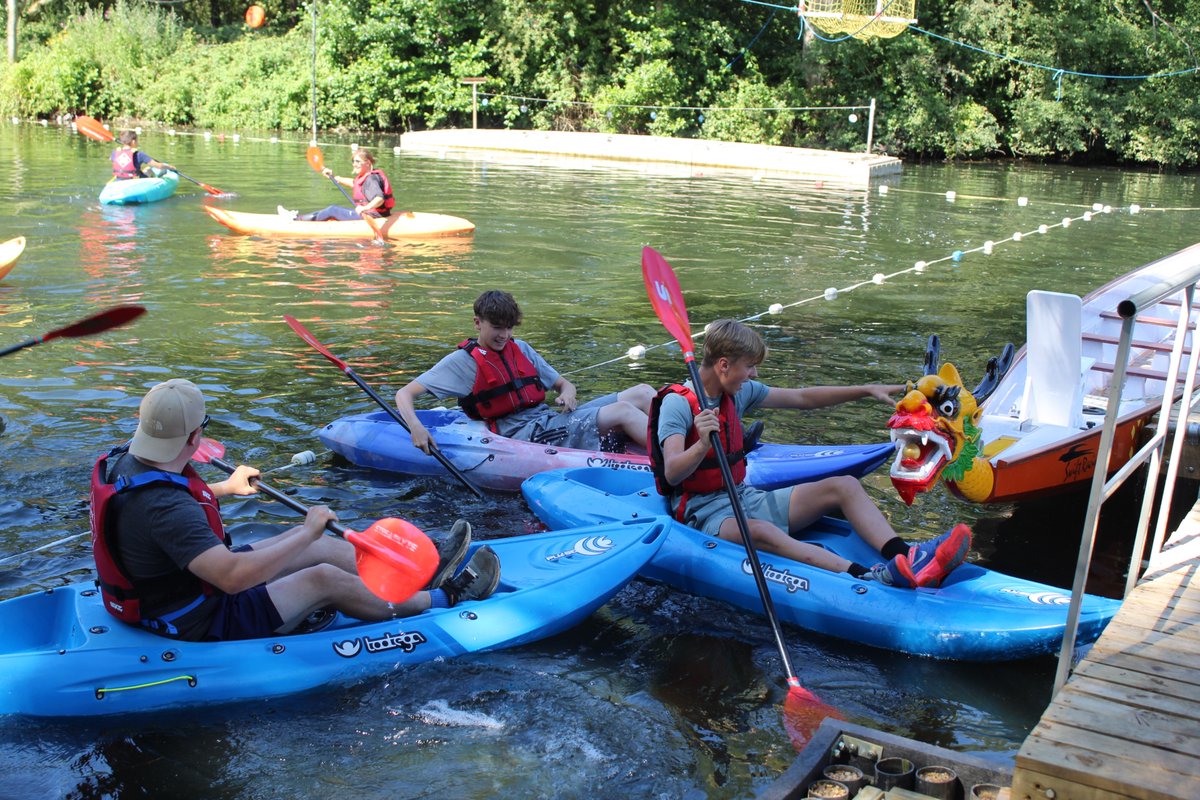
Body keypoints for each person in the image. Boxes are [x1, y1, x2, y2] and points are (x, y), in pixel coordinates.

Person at [89, 378, 499, 641]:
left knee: (312, 548)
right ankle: (444, 597)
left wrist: (225, 488)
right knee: (322, 576)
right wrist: (307, 530)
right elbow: (230, 578)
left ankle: (425, 571)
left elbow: (157, 517)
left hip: (181, 587)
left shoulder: (127, 464)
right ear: (196, 436)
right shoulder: (167, 508)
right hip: (195, 614)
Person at [649, 319, 972, 589]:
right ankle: (868, 576)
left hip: (743, 496)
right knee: (759, 531)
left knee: (844, 485)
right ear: (724, 365)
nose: (754, 375)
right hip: (703, 513)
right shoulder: (678, 404)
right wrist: (702, 445)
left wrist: (865, 390)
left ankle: (906, 556)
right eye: (750, 366)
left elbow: (803, 398)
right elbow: (673, 473)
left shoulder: (739, 392)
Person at [395, 289, 654, 454]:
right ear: (478, 323)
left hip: (548, 420)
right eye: (497, 327)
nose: (504, 335)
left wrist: (568, 394)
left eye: (509, 328)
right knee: (623, 411)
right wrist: (415, 427)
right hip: (522, 434)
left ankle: (672, 443)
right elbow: (404, 394)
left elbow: (565, 384)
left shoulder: (521, 348)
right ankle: (672, 461)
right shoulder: (462, 363)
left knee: (643, 392)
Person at [278, 148, 395, 222]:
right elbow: (355, 184)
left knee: (333, 209)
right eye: (353, 161)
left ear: (368, 163)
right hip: (373, 213)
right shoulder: (367, 176)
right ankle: (298, 216)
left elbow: (379, 198)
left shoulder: (372, 179)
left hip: (373, 216)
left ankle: (296, 219)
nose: (354, 164)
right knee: (332, 210)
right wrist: (334, 177)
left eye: (358, 161)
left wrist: (364, 208)